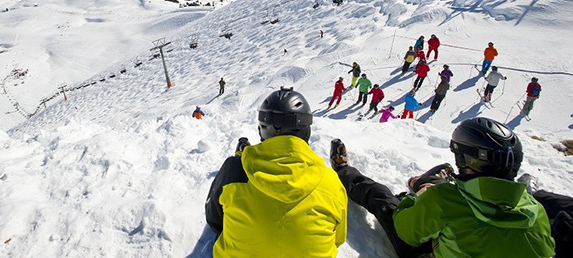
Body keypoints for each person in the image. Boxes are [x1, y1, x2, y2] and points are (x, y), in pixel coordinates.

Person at [329, 117, 556, 258]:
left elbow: (405, 230)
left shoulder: (444, 200)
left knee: (381, 198)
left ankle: (343, 171)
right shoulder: (536, 210)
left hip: (431, 244)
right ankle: (429, 179)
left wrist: (417, 197)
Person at [205, 88, 348, 258]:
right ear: (306, 131)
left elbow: (214, 218)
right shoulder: (330, 181)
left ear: (262, 130)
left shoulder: (234, 170)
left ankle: (246, 155)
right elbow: (338, 237)